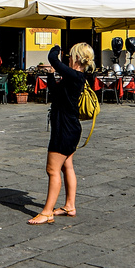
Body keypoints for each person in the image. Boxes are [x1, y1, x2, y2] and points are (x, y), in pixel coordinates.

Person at [30, 43, 94, 225]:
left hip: (65, 129)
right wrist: (50, 75)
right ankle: (69, 205)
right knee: (67, 167)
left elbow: (52, 58)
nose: (67, 58)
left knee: (52, 170)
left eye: (70, 56)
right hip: (68, 127)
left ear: (76, 57)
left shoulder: (75, 75)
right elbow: (56, 93)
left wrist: (56, 47)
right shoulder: (73, 77)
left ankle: (47, 211)